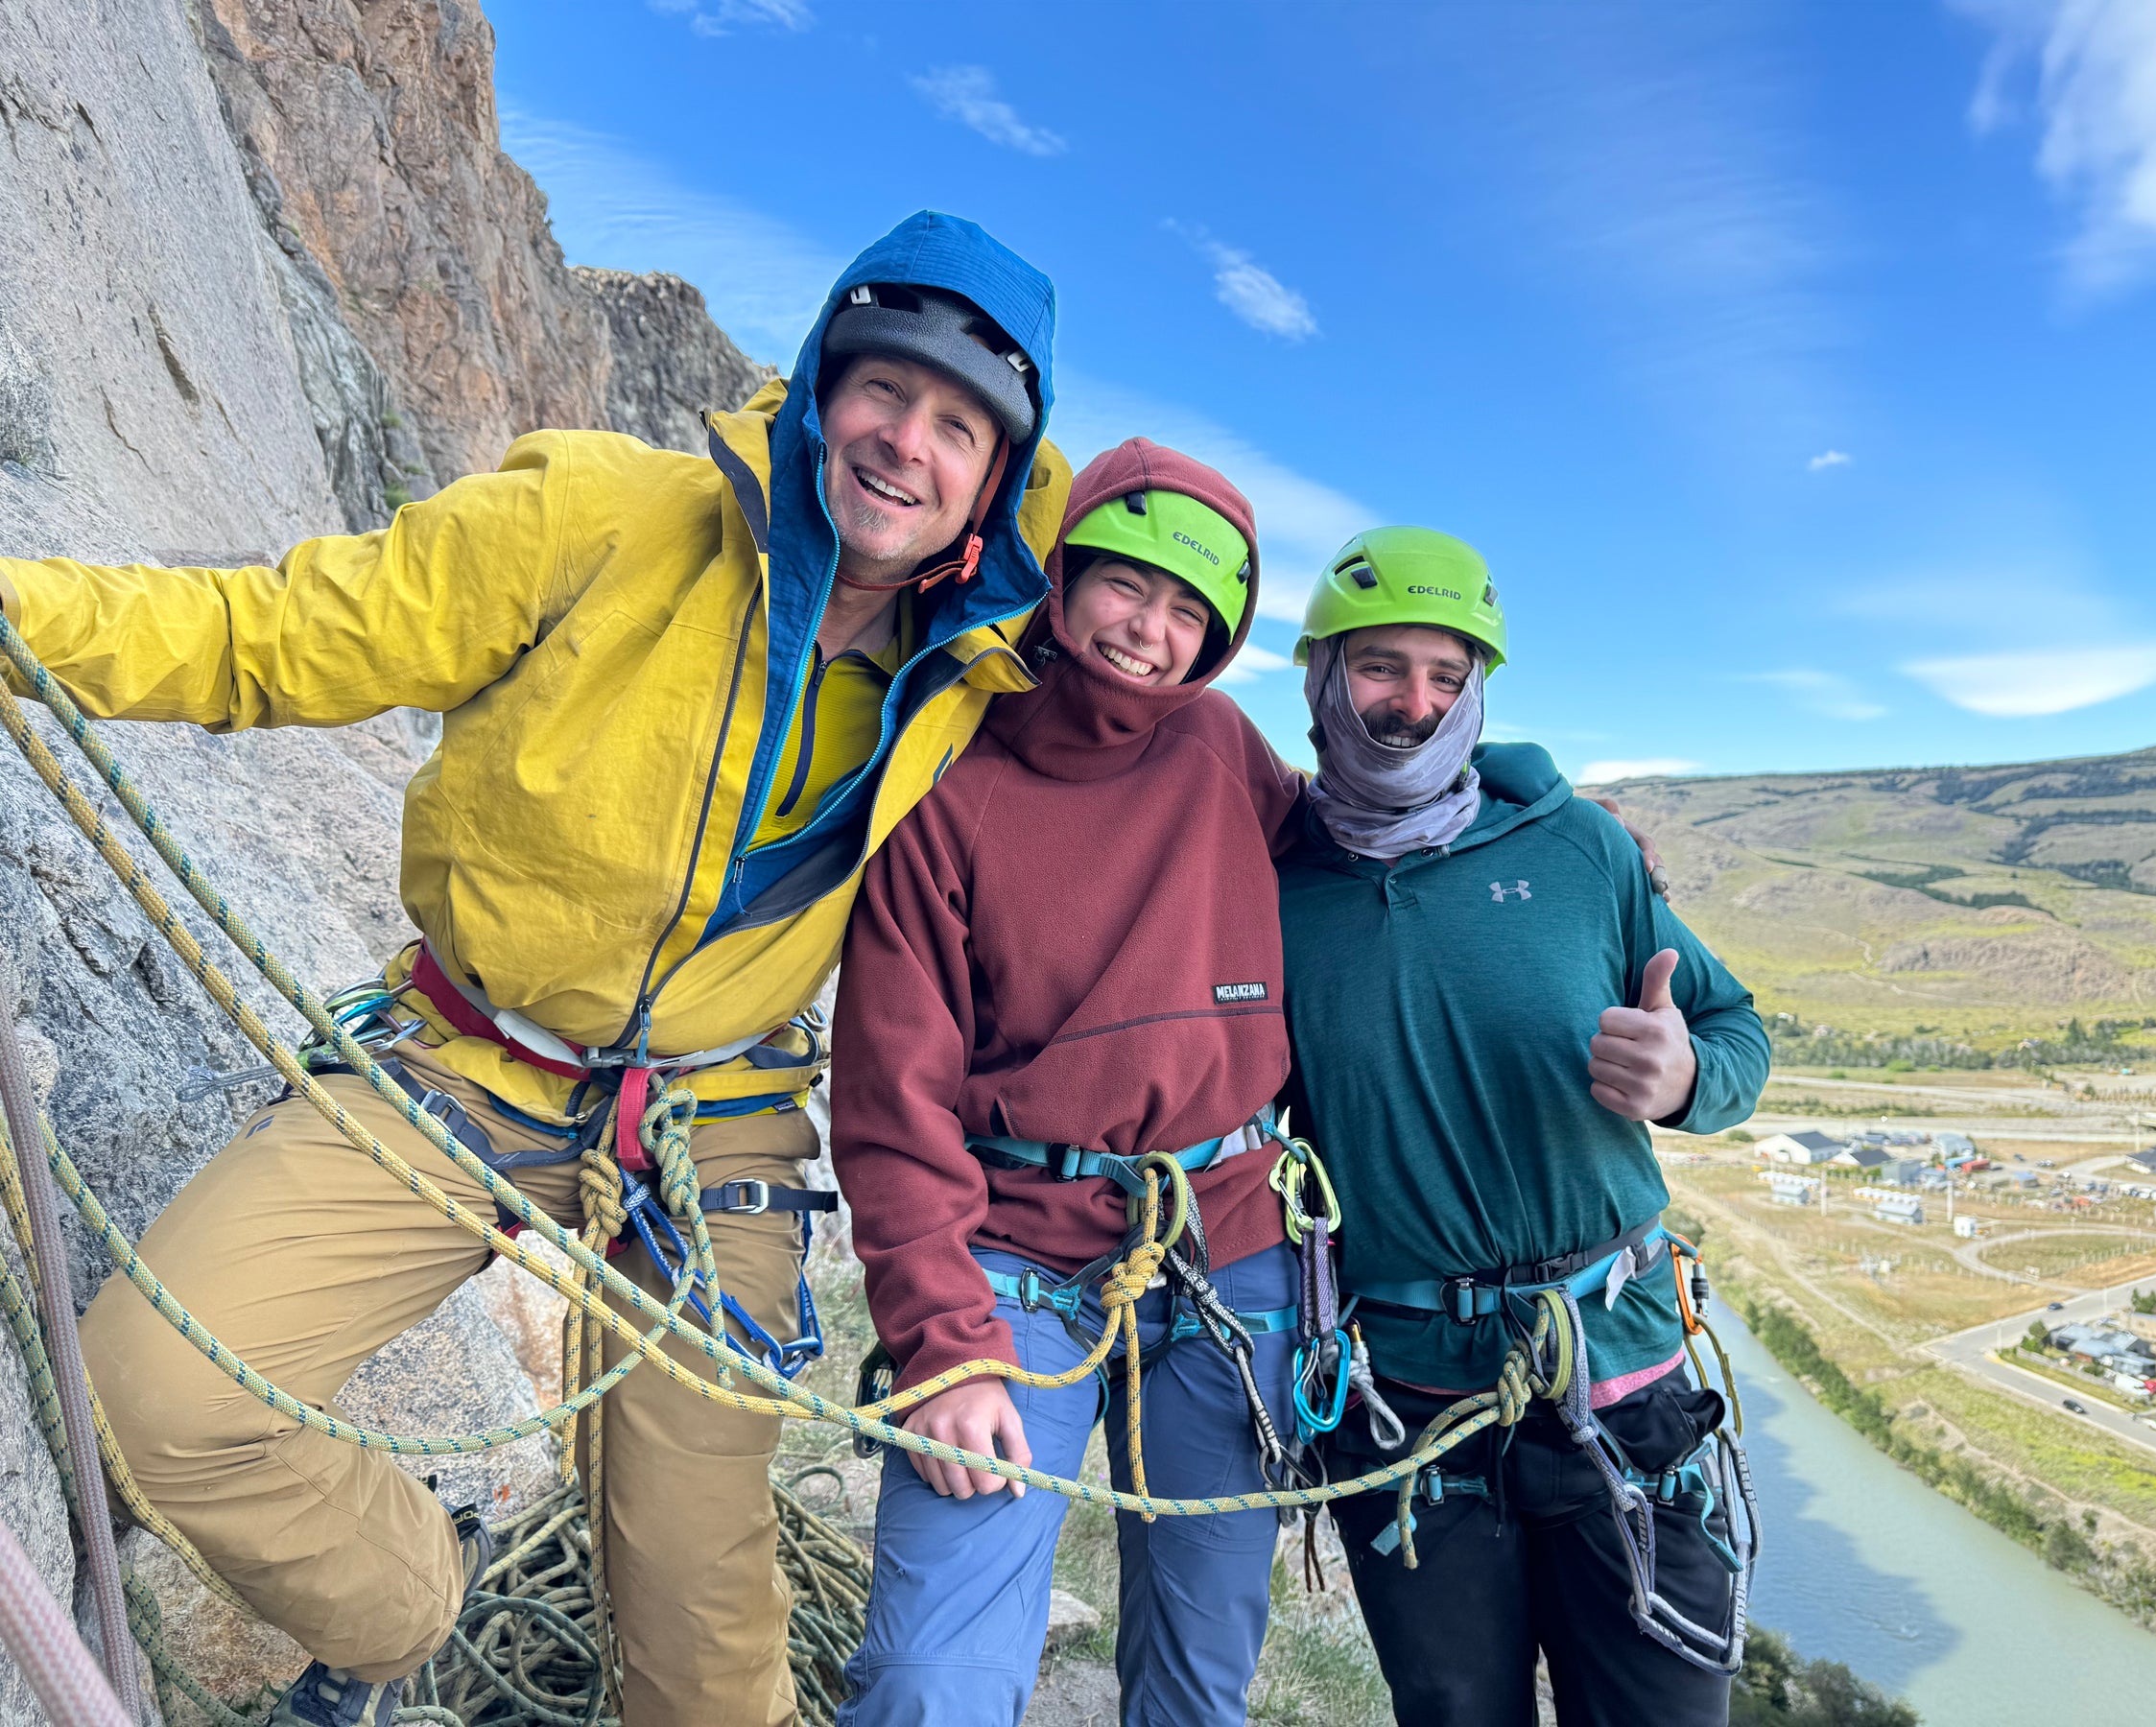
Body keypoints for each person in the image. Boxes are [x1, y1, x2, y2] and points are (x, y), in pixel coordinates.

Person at [0, 209, 1072, 1727]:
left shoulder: (972, 679)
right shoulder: (601, 517)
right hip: (464, 1058)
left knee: (701, 1636)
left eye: (959, 426)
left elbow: (1145, 687)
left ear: (998, 481)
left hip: (721, 1123)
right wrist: (20, 618)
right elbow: (274, 633)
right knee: (155, 1391)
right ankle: (408, 1609)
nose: (906, 444)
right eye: (884, 391)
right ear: (822, 381)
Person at [830, 438, 1308, 1727]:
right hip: (1011, 1260)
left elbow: (1351, 859)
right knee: (935, 1679)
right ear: (1066, 569)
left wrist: (1529, 828)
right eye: (1126, 587)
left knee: (1203, 1671)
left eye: (1190, 612)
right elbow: (892, 1094)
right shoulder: (949, 771)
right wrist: (944, 1342)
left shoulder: (1219, 747)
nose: (1151, 634)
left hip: (1230, 1254)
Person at [1271, 529, 1771, 1727]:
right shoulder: (1267, 878)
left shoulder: (1580, 848)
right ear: (1320, 677)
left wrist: (1686, 1074)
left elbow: (1739, 1035)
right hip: (1411, 1404)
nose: (1415, 703)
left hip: (1621, 1378)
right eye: (1382, 668)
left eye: (1448, 676)